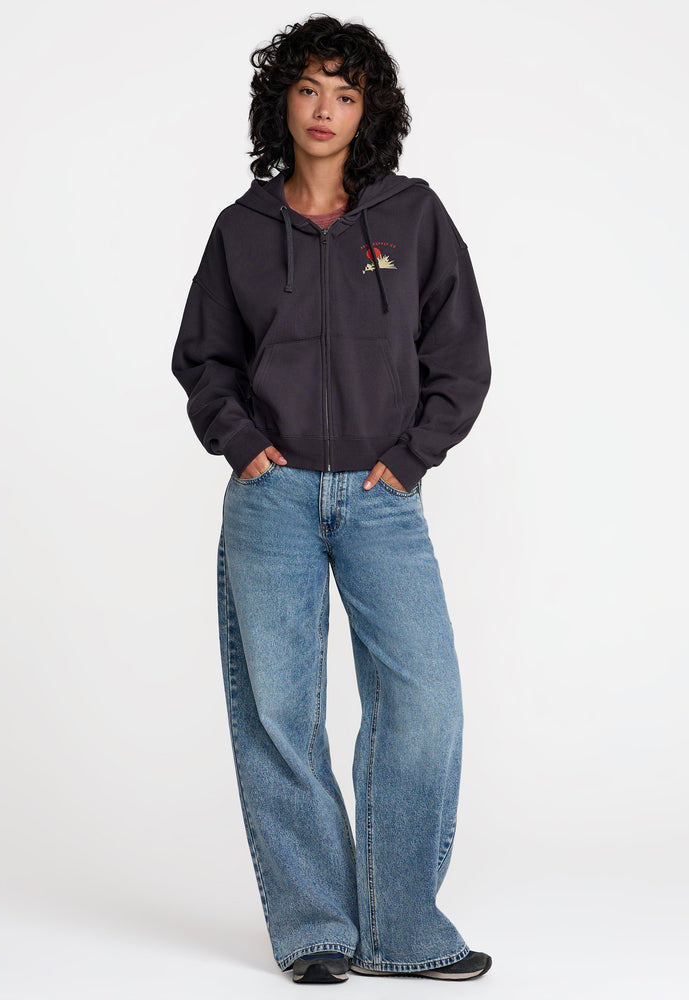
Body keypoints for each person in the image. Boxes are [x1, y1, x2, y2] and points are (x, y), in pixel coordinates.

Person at [171, 14, 492, 986]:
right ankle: (315, 928)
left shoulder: (411, 216)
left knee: (424, 704)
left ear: (367, 113)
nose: (324, 109)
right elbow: (203, 359)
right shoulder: (241, 229)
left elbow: (459, 354)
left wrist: (411, 455)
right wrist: (243, 446)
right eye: (309, 88)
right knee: (281, 714)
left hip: (381, 498)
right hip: (269, 500)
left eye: (345, 94)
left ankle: (402, 929)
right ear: (284, 101)